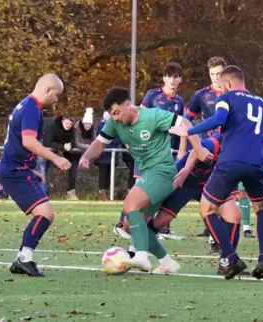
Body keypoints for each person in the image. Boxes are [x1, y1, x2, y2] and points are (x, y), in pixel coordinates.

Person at [78, 87, 211, 273]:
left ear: (127, 104)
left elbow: (187, 123)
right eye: (112, 115)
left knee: (130, 205)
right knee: (133, 225)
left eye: (117, 112)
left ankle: (141, 256)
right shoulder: (115, 123)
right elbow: (100, 143)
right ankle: (166, 262)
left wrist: (197, 149)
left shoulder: (153, 116)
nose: (115, 118)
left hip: (163, 172)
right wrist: (86, 157)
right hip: (147, 175)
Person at [169, 65, 263, 280]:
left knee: (207, 209)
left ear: (229, 83)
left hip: (230, 162)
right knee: (261, 207)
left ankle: (232, 258)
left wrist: (190, 130)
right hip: (257, 164)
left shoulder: (227, 98)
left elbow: (219, 119)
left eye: (222, 86)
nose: (220, 90)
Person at [0, 74, 70, 277]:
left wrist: (30, 167)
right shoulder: (31, 109)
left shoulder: (27, 105)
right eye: (57, 95)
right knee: (45, 214)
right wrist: (56, 158)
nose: (57, 100)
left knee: (45, 213)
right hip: (13, 171)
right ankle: (24, 259)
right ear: (48, 90)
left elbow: (18, 142)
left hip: (17, 168)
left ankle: (23, 258)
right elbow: (29, 142)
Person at [113, 63, 186, 240]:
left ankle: (160, 227)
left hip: (163, 152)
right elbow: (138, 118)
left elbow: (181, 125)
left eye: (176, 76)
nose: (172, 80)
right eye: (169, 76)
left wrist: (181, 149)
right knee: (141, 185)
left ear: (180, 79)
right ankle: (121, 223)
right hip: (146, 148)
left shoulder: (179, 102)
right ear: (164, 78)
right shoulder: (153, 95)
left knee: (162, 187)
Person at [184, 57, 254, 240]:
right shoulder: (201, 95)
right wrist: (187, 148)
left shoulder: (236, 95)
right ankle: (215, 238)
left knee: (231, 194)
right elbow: (186, 121)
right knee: (211, 194)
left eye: (219, 74)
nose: (216, 78)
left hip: (230, 150)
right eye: (212, 74)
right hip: (208, 151)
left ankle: (227, 234)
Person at [36, 115, 74, 194]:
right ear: (62, 121)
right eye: (67, 123)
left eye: (70, 124)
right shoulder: (52, 127)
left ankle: (39, 193)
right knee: (41, 172)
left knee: (45, 172)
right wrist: (62, 146)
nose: (69, 126)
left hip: (51, 153)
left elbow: (72, 141)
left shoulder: (70, 131)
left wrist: (69, 145)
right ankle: (42, 195)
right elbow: (47, 142)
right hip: (41, 151)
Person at [68, 107, 96, 200]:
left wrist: (90, 147)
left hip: (84, 153)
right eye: (86, 123)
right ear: (83, 122)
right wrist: (88, 146)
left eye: (89, 124)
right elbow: (77, 143)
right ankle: (71, 192)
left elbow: (94, 141)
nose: (87, 125)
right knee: (73, 171)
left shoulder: (92, 130)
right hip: (73, 152)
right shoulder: (77, 128)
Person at [95, 111, 122, 200]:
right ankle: (102, 194)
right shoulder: (101, 125)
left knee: (110, 175)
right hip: (103, 155)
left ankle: (108, 193)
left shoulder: (116, 125)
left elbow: (119, 138)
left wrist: (111, 140)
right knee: (103, 175)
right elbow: (100, 138)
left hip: (112, 155)